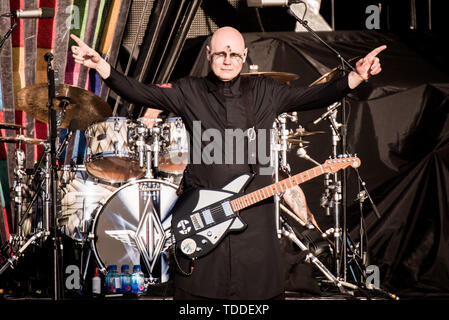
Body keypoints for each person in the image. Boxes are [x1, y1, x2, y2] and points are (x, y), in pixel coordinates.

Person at [70, 27, 385, 300]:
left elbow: (314, 96)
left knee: (258, 295)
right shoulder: (188, 91)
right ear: (209, 54)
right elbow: (141, 93)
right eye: (220, 53)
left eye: (234, 54)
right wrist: (102, 66)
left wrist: (355, 76)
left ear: (245, 56)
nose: (227, 59)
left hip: (255, 222)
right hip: (202, 215)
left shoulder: (266, 91)